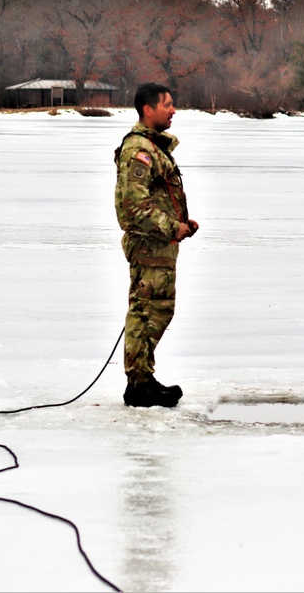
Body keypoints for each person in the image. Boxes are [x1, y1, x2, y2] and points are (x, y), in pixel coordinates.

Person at [114, 83, 198, 408]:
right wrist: (169, 227)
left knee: (155, 311)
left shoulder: (154, 147)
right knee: (146, 313)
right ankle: (138, 385)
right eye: (168, 105)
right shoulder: (139, 150)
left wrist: (181, 225)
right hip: (149, 248)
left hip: (160, 247)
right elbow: (133, 205)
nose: (173, 110)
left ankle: (143, 379)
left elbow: (157, 198)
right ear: (149, 110)